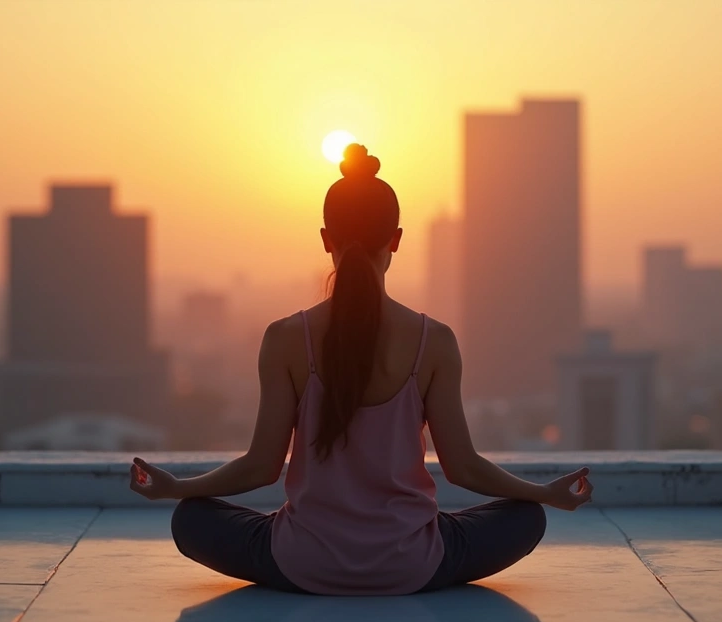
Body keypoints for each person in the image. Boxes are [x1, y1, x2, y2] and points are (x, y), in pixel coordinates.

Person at [130, 143, 593, 596]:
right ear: (395, 239)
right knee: (527, 517)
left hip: (302, 563)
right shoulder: (435, 341)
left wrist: (177, 487)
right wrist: (544, 494)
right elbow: (464, 469)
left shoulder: (285, 339)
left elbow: (260, 467)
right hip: (411, 564)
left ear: (325, 239)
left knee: (190, 518)